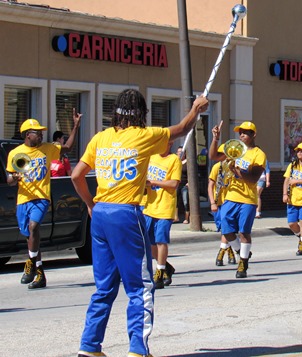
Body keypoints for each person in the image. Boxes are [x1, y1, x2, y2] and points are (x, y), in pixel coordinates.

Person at [71, 88, 208, 357]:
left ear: (115, 112)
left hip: (100, 214)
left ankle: (89, 345)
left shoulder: (100, 138)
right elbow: (182, 128)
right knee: (140, 286)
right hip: (126, 213)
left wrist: (90, 204)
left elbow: (77, 175)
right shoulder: (145, 136)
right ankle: (138, 349)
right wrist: (196, 109)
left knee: (104, 287)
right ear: (142, 114)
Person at [6, 113, 81, 290]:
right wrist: (15, 177)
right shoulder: (16, 154)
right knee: (30, 237)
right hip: (23, 199)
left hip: (41, 198)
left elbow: (68, 147)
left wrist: (76, 126)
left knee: (34, 227)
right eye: (36, 132)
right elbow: (9, 178)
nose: (40, 135)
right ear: (27, 135)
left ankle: (30, 263)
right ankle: (39, 274)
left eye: (41, 132)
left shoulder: (48, 148)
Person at [209, 121, 266, 278]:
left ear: (253, 134)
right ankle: (242, 252)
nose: (242, 135)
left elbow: (253, 178)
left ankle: (243, 264)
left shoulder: (258, 154)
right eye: (240, 132)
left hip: (248, 198)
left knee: (244, 232)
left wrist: (237, 171)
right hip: (231, 196)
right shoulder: (234, 148)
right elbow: (213, 156)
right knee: (226, 229)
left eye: (246, 132)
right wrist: (215, 139)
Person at [143, 141, 180, 289]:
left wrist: (153, 182)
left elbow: (173, 184)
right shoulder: (151, 157)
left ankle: (159, 272)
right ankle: (166, 267)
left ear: (169, 143)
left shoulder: (174, 160)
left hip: (165, 206)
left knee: (160, 240)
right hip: (149, 206)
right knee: (149, 243)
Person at [208, 143, 237, 266]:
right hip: (219, 202)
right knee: (223, 229)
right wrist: (212, 202)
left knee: (228, 229)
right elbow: (211, 185)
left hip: (230, 202)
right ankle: (230, 252)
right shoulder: (217, 167)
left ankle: (221, 253)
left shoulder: (234, 167)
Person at [175, 146, 190, 224]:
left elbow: (191, 173)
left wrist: (189, 182)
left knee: (186, 201)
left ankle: (186, 218)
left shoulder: (188, 162)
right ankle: (176, 217)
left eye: (182, 152)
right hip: (176, 184)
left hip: (185, 184)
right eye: (178, 152)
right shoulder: (175, 161)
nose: (180, 153)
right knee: (175, 201)